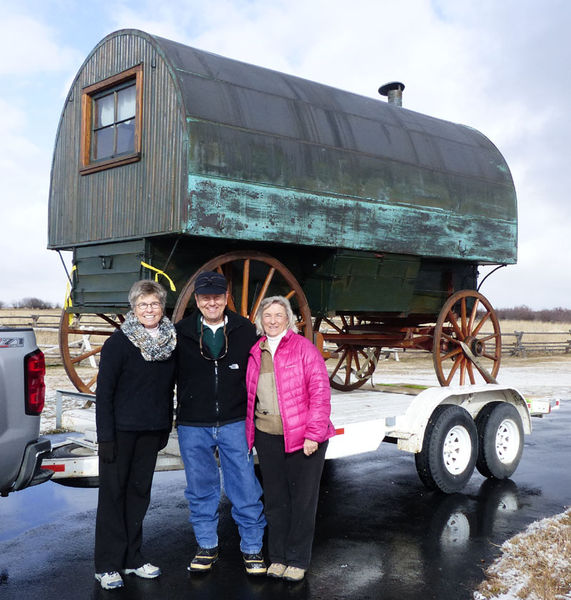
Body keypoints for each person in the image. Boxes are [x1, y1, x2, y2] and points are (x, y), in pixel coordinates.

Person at [176, 271, 267, 576]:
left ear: (226, 297)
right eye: (205, 297)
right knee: (201, 489)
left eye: (217, 296)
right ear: (197, 300)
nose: (211, 302)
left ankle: (253, 549)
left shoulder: (244, 330)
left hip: (234, 420)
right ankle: (206, 546)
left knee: (244, 486)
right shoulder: (181, 332)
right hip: (193, 424)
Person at [94, 280, 177, 590]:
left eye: (154, 304)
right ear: (133, 308)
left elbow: (168, 389)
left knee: (139, 496)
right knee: (113, 497)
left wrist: (165, 426)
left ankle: (132, 558)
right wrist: (106, 438)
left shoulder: (170, 342)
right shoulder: (118, 343)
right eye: (143, 304)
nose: (149, 309)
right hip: (120, 433)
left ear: (162, 307)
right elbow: (105, 394)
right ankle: (106, 565)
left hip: (150, 431)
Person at [245, 296, 335, 582]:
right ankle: (278, 557)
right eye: (267, 315)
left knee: (302, 501)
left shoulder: (304, 349)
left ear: (288, 318)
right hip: (267, 437)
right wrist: (250, 437)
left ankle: (297, 559)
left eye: (278, 315)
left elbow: (320, 395)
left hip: (303, 438)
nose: (272, 320)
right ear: (261, 320)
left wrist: (313, 435)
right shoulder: (255, 351)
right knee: (275, 500)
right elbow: (250, 397)